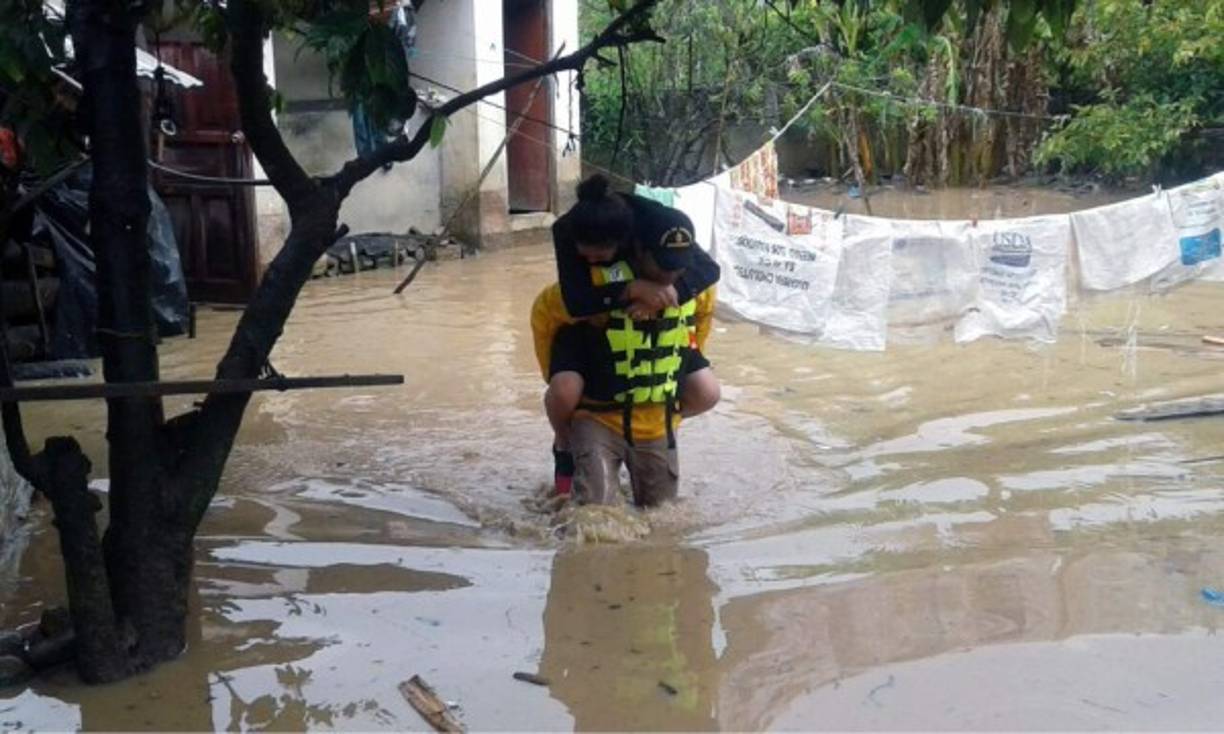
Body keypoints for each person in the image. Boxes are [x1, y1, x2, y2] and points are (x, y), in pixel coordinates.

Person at [540, 174, 722, 497]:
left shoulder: (662, 227)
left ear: (634, 247)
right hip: (593, 335)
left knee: (708, 390)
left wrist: (667, 294)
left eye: (599, 256)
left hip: (657, 350)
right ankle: (563, 439)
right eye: (588, 258)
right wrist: (631, 291)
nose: (592, 262)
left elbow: (709, 271)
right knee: (565, 389)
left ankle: (662, 417)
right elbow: (576, 301)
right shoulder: (567, 232)